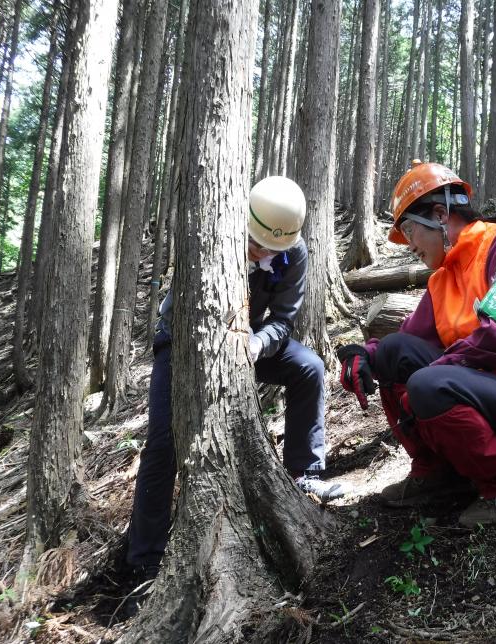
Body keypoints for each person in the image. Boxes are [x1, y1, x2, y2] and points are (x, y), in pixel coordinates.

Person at [338, 160, 496, 528]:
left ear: (440, 214)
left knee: (427, 384)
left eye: (409, 231)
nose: (410, 246)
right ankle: (438, 475)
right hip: (494, 393)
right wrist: (364, 357)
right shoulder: (442, 281)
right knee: (392, 353)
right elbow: (408, 342)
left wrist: (433, 378)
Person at [126, 175, 345, 582]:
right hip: (183, 344)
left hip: (249, 343)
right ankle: (143, 559)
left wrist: (255, 346)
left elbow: (283, 322)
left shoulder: (294, 254)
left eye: (270, 247)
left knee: (310, 369)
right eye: (256, 241)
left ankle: (305, 474)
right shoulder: (217, 231)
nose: (261, 251)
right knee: (162, 444)